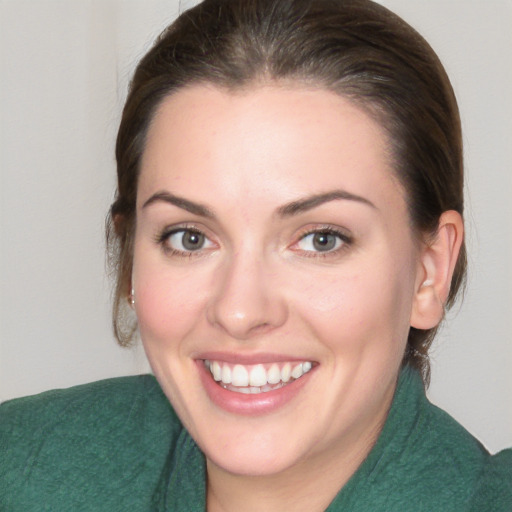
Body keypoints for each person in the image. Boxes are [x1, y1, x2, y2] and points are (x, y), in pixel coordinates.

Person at [1, 0, 511, 510]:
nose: (239, 311)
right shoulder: (20, 466)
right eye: (189, 238)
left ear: (429, 272)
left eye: (321, 239)